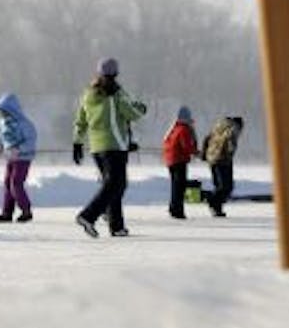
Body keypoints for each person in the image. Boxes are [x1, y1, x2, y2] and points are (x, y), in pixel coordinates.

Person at [72, 57, 147, 237]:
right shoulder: (116, 93)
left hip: (97, 147)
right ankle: (88, 215)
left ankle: (117, 226)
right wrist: (142, 108)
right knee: (115, 184)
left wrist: (77, 143)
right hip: (115, 145)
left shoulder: (88, 94)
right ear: (116, 74)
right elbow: (133, 113)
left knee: (115, 184)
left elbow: (80, 121)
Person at [0, 92, 37, 223]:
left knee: (16, 183)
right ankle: (7, 212)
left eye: (4, 111)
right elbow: (1, 137)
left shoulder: (24, 124)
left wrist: (19, 150)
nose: (1, 114)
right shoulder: (3, 123)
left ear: (12, 110)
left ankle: (26, 211)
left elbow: (31, 140)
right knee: (7, 183)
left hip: (23, 158)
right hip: (10, 157)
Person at [201, 115, 243, 217]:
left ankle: (217, 209)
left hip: (212, 158)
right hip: (222, 159)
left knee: (219, 185)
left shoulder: (218, 126)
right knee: (227, 186)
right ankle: (211, 200)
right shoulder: (234, 128)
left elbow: (207, 138)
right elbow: (231, 143)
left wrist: (204, 153)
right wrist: (229, 154)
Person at [161, 106, 199, 219]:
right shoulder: (184, 129)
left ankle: (173, 208)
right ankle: (178, 211)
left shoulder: (174, 128)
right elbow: (186, 146)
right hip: (179, 161)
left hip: (171, 160)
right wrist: (196, 152)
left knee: (175, 186)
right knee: (179, 187)